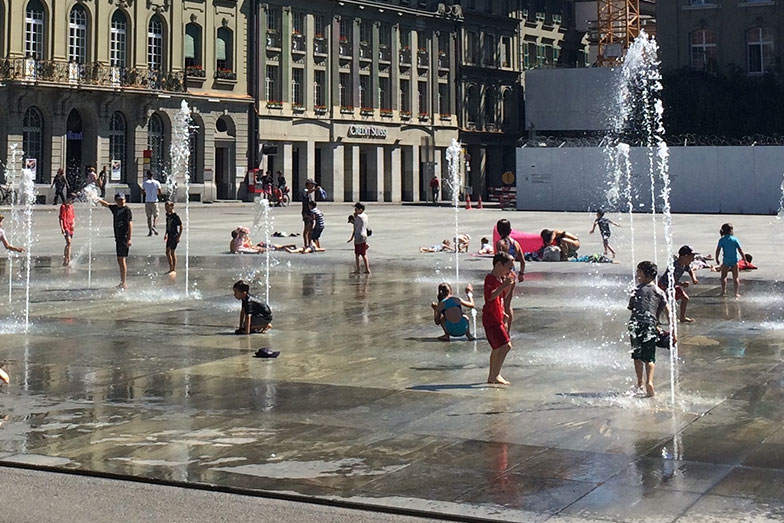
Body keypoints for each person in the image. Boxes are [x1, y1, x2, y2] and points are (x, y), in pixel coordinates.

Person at [628, 261, 670, 398]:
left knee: (637, 355)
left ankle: (639, 382)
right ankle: (649, 382)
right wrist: (671, 329)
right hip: (650, 325)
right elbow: (668, 310)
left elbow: (632, 308)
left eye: (639, 272)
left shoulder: (636, 290)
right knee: (650, 357)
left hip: (635, 324)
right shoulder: (659, 291)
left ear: (645, 274)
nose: (637, 274)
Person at [483, 252, 515, 385]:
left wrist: (509, 285)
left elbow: (501, 298)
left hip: (497, 317)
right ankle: (495, 374)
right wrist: (503, 285)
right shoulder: (490, 279)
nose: (510, 270)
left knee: (497, 347)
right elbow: (490, 296)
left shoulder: (500, 279)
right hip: (491, 318)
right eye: (508, 267)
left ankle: (493, 375)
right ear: (498, 265)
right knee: (505, 346)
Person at [495, 219, 525, 332]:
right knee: (507, 304)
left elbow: (499, 261)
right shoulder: (515, 243)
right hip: (513, 275)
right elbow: (522, 260)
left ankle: (502, 328)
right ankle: (508, 331)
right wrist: (521, 274)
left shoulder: (500, 244)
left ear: (498, 231)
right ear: (510, 230)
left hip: (503, 275)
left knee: (499, 303)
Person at [98, 193, 132, 289]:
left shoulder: (127, 210)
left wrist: (129, 238)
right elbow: (106, 204)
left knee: (122, 259)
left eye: (122, 199)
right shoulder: (116, 208)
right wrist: (95, 198)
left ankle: (124, 282)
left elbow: (130, 224)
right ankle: (122, 281)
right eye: (119, 200)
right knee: (120, 259)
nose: (121, 201)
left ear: (125, 200)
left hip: (124, 237)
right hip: (118, 238)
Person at [658, 245, 698, 323]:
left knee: (685, 298)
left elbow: (690, 270)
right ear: (685, 256)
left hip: (673, 285)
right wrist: (682, 284)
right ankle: (656, 319)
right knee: (663, 303)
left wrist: (694, 278)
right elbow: (671, 280)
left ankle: (682, 318)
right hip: (664, 285)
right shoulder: (674, 266)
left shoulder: (684, 264)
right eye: (692, 256)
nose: (693, 259)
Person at [715, 223, 746, 298]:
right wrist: (744, 259)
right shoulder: (734, 239)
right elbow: (740, 250)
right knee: (735, 277)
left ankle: (723, 291)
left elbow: (718, 250)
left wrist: (717, 258)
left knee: (723, 277)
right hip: (734, 261)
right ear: (730, 231)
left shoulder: (721, 240)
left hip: (726, 261)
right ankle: (736, 293)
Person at [347, 202, 370, 274]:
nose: (355, 210)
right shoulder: (365, 216)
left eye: (356, 209)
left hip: (359, 236)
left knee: (357, 254)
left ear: (361, 209)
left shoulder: (359, 217)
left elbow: (355, 224)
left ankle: (358, 269)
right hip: (364, 235)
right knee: (363, 253)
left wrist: (354, 217)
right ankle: (366, 269)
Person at [301, 178, 320, 247]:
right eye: (312, 184)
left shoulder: (310, 192)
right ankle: (305, 244)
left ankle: (310, 243)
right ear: (308, 184)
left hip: (311, 212)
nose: (313, 186)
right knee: (307, 228)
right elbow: (307, 192)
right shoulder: (305, 190)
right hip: (306, 212)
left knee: (311, 229)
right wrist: (315, 189)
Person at [164, 201, 182, 274]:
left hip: (174, 235)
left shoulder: (175, 216)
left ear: (172, 207)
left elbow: (181, 227)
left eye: (168, 207)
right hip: (169, 235)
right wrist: (166, 233)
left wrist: (178, 236)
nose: (166, 209)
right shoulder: (168, 215)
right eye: (166, 207)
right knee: (167, 252)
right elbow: (167, 225)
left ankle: (173, 269)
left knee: (172, 252)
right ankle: (170, 267)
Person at [143, 171, 162, 236]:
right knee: (156, 216)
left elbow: (142, 192)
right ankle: (154, 225)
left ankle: (150, 231)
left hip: (147, 201)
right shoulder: (157, 182)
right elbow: (159, 192)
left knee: (148, 217)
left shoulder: (145, 183)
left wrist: (147, 193)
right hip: (154, 201)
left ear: (147, 175)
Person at [59, 194, 75, 266]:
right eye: (71, 200)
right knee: (69, 242)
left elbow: (73, 216)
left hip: (71, 227)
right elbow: (61, 218)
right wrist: (62, 228)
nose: (72, 202)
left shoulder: (71, 207)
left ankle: (66, 259)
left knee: (69, 244)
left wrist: (74, 224)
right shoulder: (63, 207)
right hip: (66, 226)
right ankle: (68, 260)